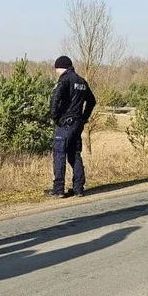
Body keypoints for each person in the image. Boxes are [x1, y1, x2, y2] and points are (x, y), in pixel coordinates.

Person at [50, 56, 97, 196]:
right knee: (74, 154)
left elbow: (55, 98)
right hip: (77, 124)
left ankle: (58, 189)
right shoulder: (81, 81)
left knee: (59, 154)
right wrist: (84, 118)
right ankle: (78, 188)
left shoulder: (64, 80)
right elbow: (92, 101)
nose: (56, 71)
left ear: (60, 67)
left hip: (65, 123)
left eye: (56, 68)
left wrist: (55, 117)